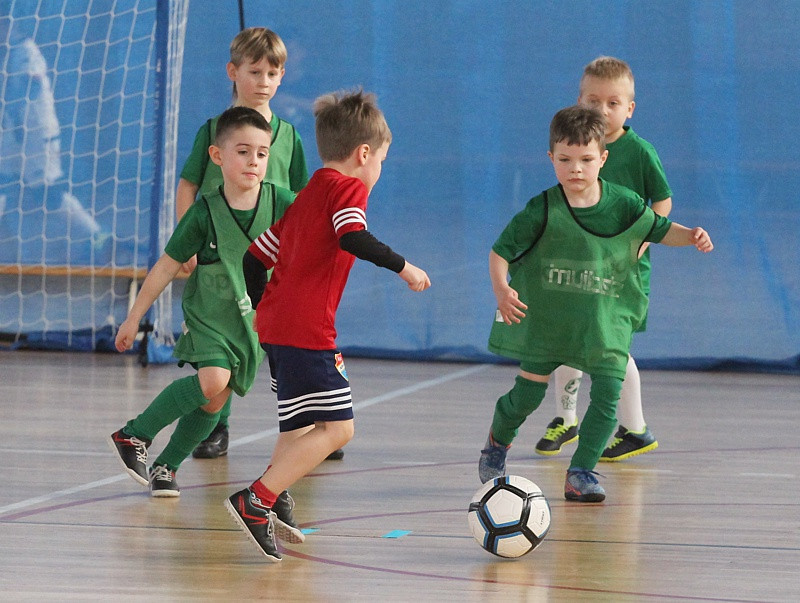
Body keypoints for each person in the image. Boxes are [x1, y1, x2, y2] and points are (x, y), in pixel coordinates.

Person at [224, 89, 431, 561]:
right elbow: (352, 235)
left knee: (298, 425)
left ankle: (277, 498)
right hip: (306, 330)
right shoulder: (346, 188)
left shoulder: (310, 192)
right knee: (339, 429)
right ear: (364, 154)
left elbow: (256, 259)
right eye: (380, 160)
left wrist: (264, 310)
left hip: (278, 327)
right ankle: (255, 499)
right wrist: (405, 267)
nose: (378, 170)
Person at [479, 105, 712, 502]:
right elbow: (500, 251)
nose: (576, 169)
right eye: (565, 160)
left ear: (602, 158)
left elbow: (659, 229)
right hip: (549, 323)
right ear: (551, 159)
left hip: (604, 324)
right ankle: (496, 444)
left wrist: (690, 235)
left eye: (586, 159)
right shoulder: (543, 208)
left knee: (607, 395)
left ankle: (581, 472)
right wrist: (501, 288)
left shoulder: (623, 204)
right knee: (527, 398)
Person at [108, 107, 296, 509]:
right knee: (212, 381)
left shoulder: (282, 202)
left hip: (251, 324)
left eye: (262, 154)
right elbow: (166, 266)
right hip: (208, 318)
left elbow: (321, 216)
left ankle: (167, 466)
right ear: (217, 157)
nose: (254, 161)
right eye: (243, 151)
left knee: (214, 401)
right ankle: (134, 434)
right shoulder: (204, 212)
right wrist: (134, 316)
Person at [174, 27, 319, 461]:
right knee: (224, 341)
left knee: (292, 341)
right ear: (233, 73)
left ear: (282, 76)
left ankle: (312, 423)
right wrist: (186, 241)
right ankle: (216, 425)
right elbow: (188, 184)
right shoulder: (213, 131)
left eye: (272, 73)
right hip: (220, 258)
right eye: (254, 71)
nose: (263, 81)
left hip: (270, 262)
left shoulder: (288, 136)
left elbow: (302, 201)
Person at [534, 56, 674, 462]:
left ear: (629, 109)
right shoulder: (577, 148)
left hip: (621, 271)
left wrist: (641, 242)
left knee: (608, 348)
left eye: (613, 103)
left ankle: (635, 428)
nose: (602, 110)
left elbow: (662, 202)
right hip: (580, 264)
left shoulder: (639, 152)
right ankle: (567, 419)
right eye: (593, 101)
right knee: (568, 337)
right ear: (579, 102)